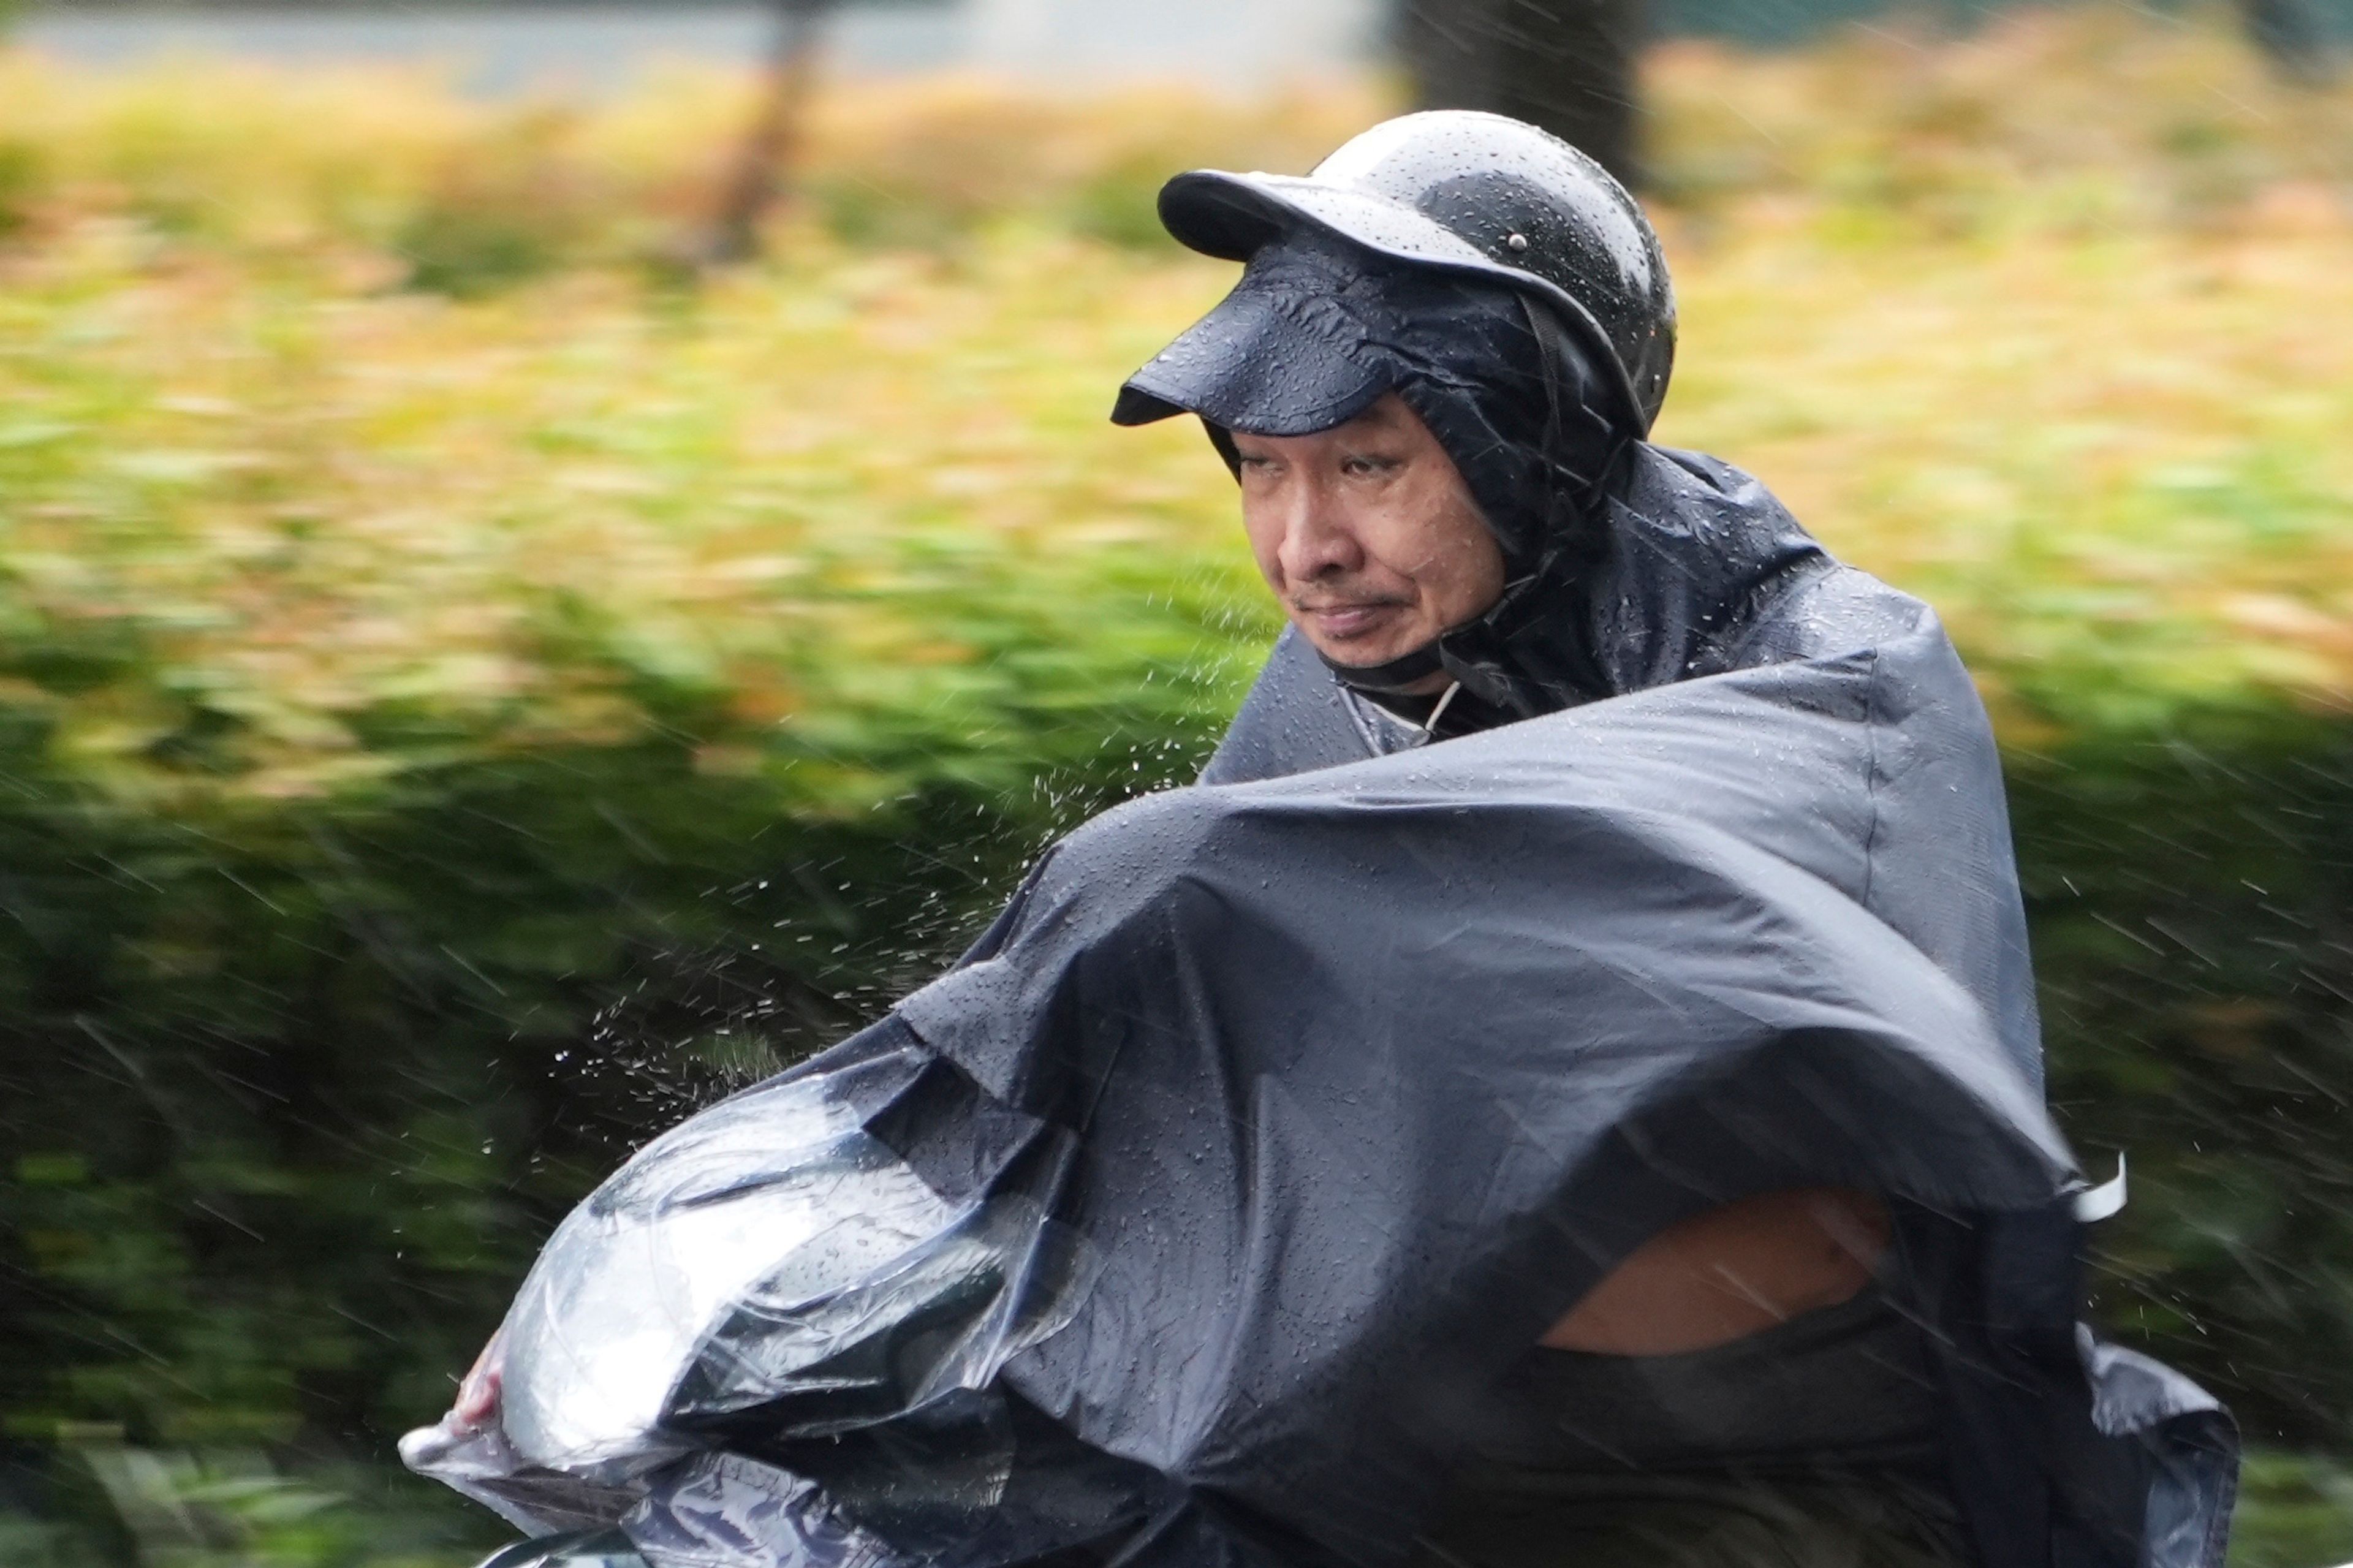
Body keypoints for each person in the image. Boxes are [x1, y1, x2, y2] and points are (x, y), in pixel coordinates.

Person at [409, 113, 2238, 1568]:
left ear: (1535, 437)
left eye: (1369, 463)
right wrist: (711, 1282)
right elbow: (1076, 1024)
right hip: (1409, 1445)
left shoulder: (1837, 688)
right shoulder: (1359, 682)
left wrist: (1269, 1237)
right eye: (1260, 469)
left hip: (1792, 1484)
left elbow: (1821, 1224)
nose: (1305, 548)